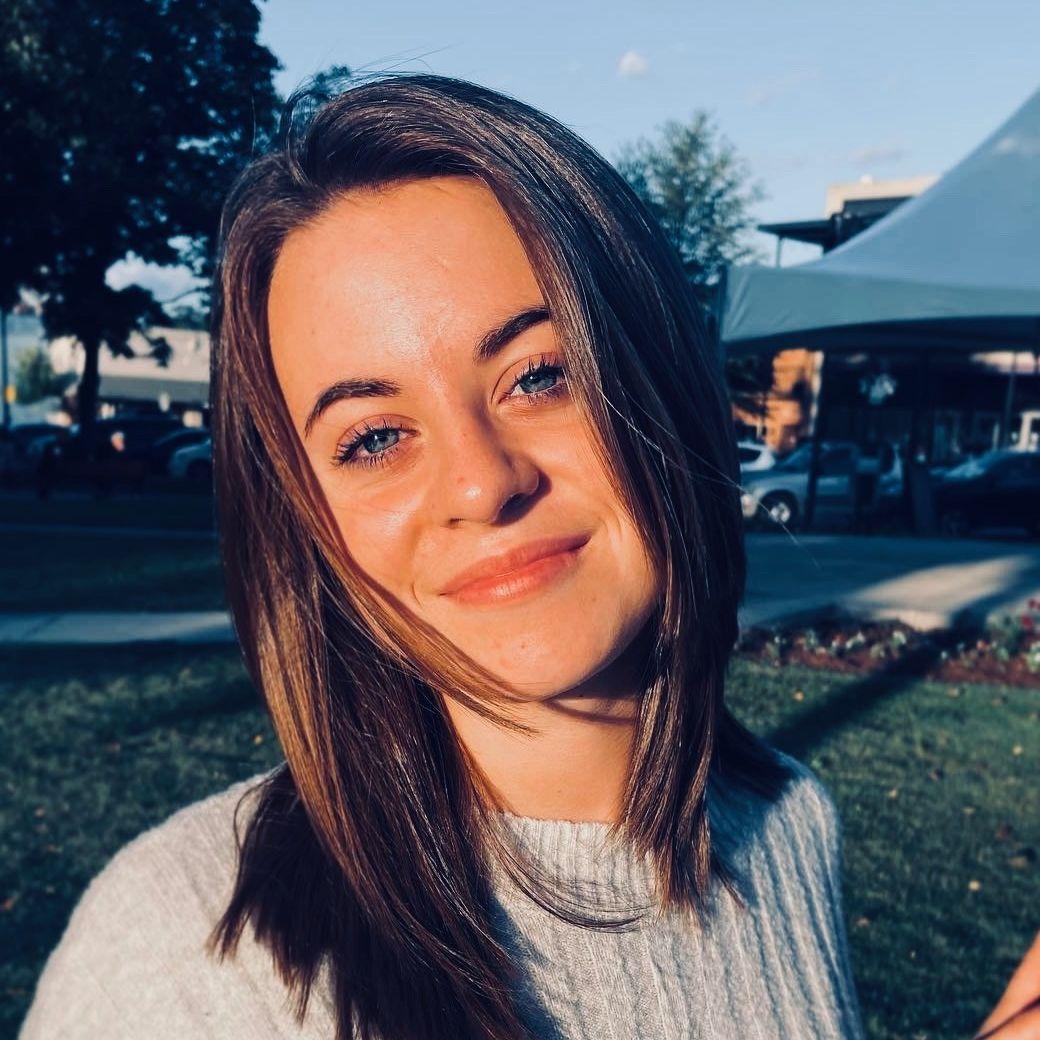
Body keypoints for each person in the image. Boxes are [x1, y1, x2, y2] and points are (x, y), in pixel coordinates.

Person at [15, 72, 1035, 1040]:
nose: (480, 482)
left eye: (539, 375)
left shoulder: (786, 820)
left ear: (659, 379)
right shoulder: (181, 947)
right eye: (373, 437)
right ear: (304, 522)